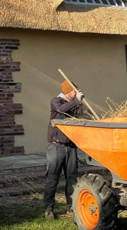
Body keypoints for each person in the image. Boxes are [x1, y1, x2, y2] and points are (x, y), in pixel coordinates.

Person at [44, 81, 84, 220]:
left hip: (71, 147)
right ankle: (49, 209)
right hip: (56, 146)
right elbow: (62, 109)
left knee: (72, 179)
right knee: (52, 178)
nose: (76, 93)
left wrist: (80, 103)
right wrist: (76, 101)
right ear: (68, 91)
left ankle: (71, 207)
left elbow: (81, 115)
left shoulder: (73, 105)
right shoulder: (56, 101)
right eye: (74, 91)